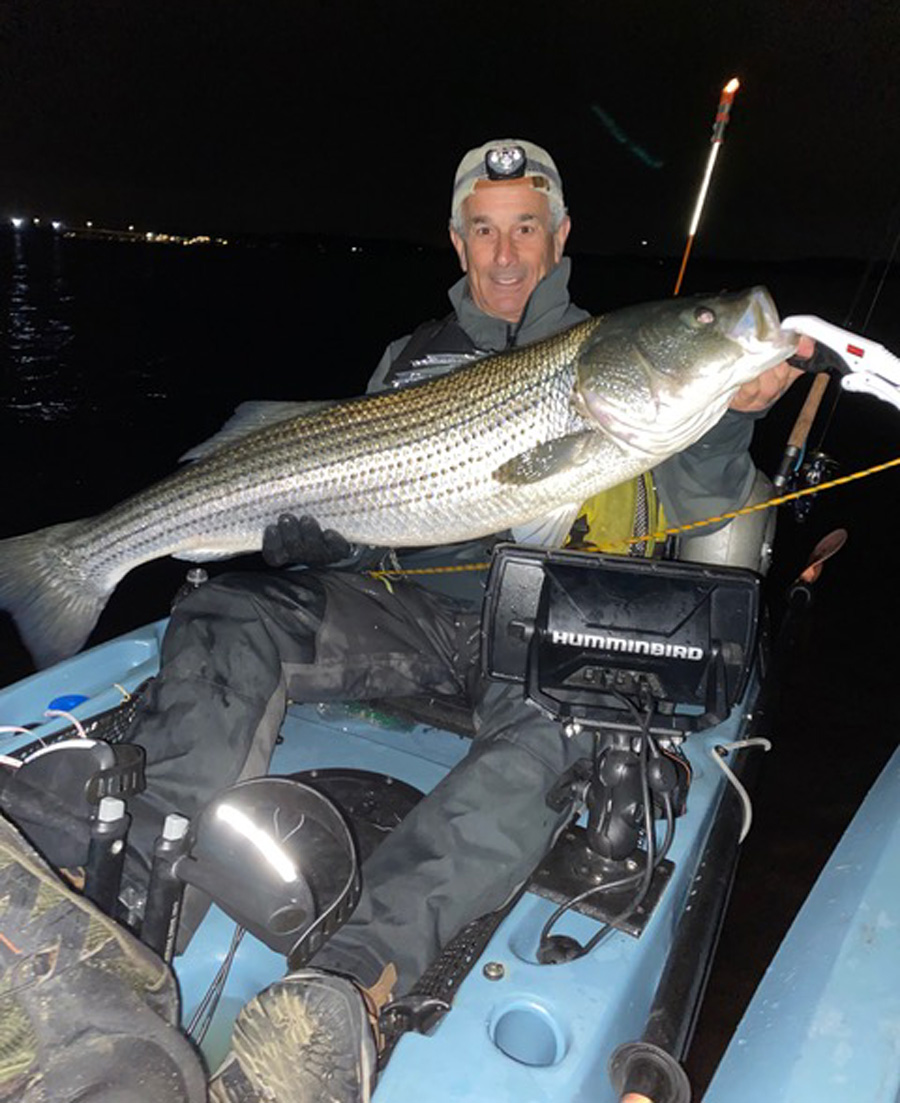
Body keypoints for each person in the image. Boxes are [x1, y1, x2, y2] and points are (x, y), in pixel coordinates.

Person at [2, 140, 810, 1103]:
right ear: (458, 241)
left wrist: (726, 409)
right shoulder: (411, 357)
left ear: (559, 239)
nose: (505, 254)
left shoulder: (631, 364)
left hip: (555, 642)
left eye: (525, 229)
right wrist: (326, 546)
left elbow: (709, 509)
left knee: (565, 730)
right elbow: (377, 518)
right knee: (229, 609)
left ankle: (340, 994)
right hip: (418, 619)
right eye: (483, 230)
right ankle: (131, 897)